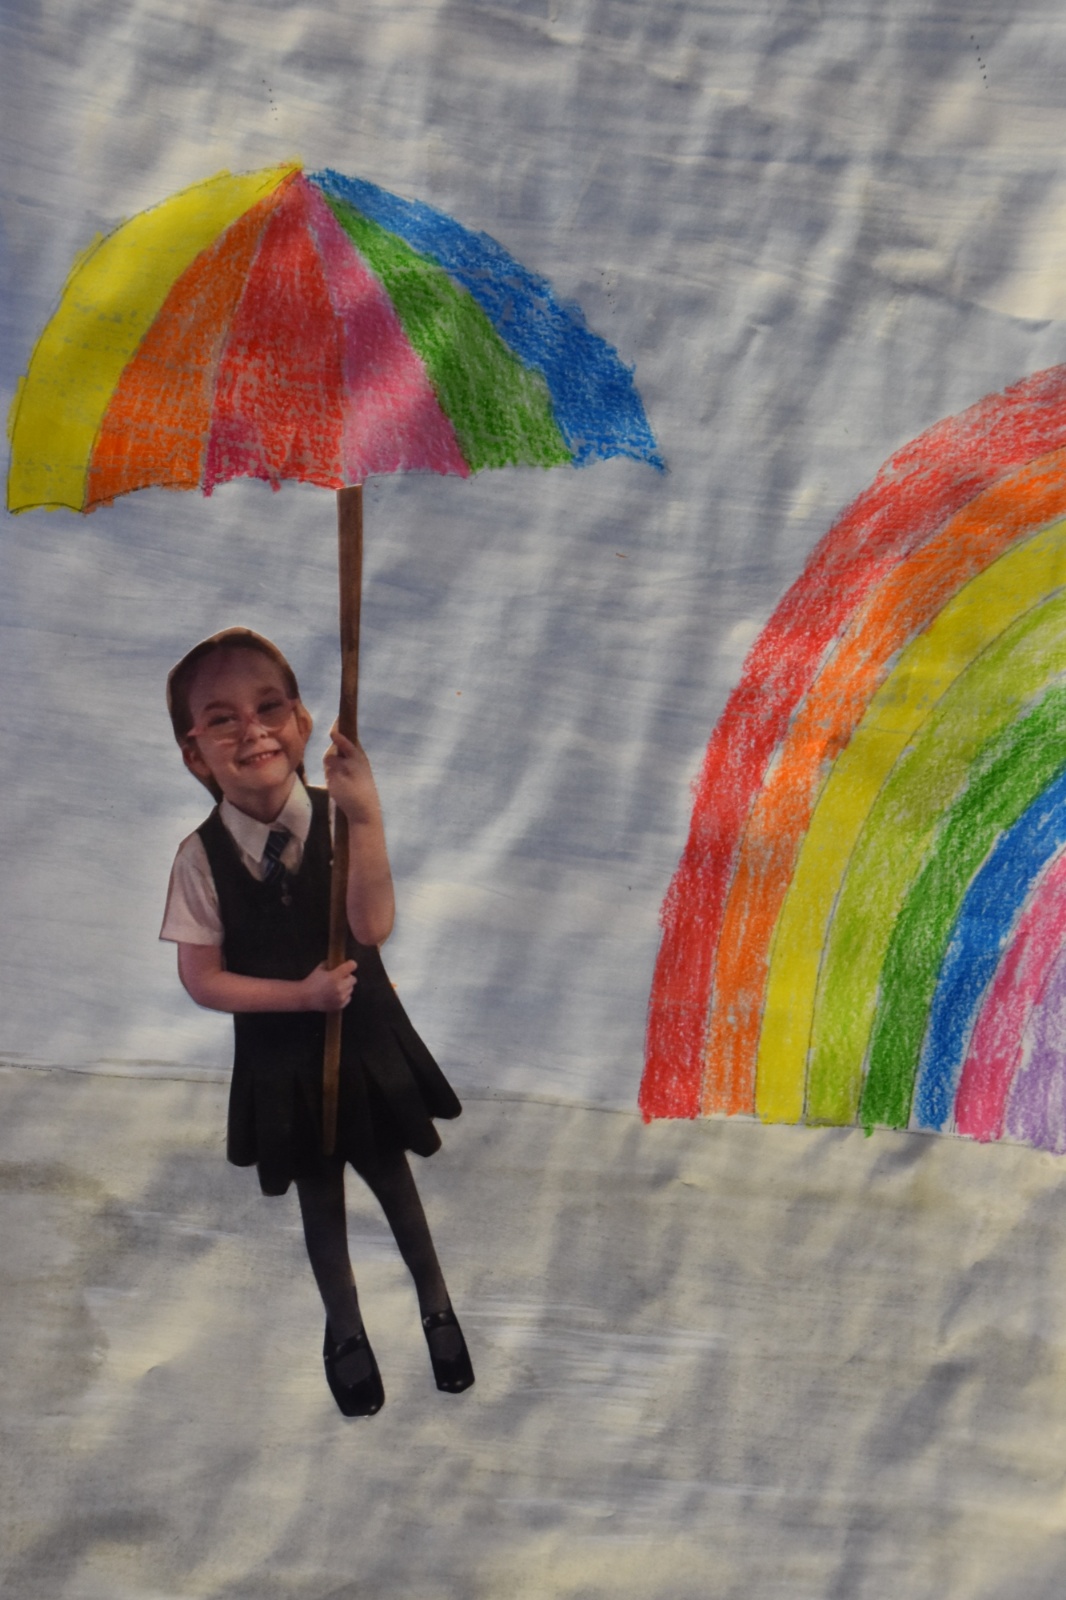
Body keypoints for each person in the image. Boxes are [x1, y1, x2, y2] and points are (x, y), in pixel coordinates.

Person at [159, 627, 473, 1417]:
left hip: (364, 1047)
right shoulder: (199, 860)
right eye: (222, 720)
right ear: (195, 754)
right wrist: (299, 997)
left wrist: (365, 818)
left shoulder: (342, 819)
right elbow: (202, 979)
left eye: (270, 708)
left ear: (302, 724)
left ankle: (437, 1310)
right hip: (284, 1067)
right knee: (320, 1202)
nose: (253, 730)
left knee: (395, 1184)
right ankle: (345, 1330)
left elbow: (372, 925)